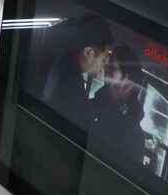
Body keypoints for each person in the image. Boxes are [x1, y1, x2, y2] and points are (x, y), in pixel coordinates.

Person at [86, 45, 152, 178]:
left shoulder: (134, 136)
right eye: (107, 65)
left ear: (126, 79)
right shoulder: (98, 103)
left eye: (112, 68)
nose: (105, 70)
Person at [40, 16, 114, 133]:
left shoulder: (64, 63)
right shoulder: (71, 81)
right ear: (89, 52)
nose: (104, 66)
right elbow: (79, 116)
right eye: (104, 59)